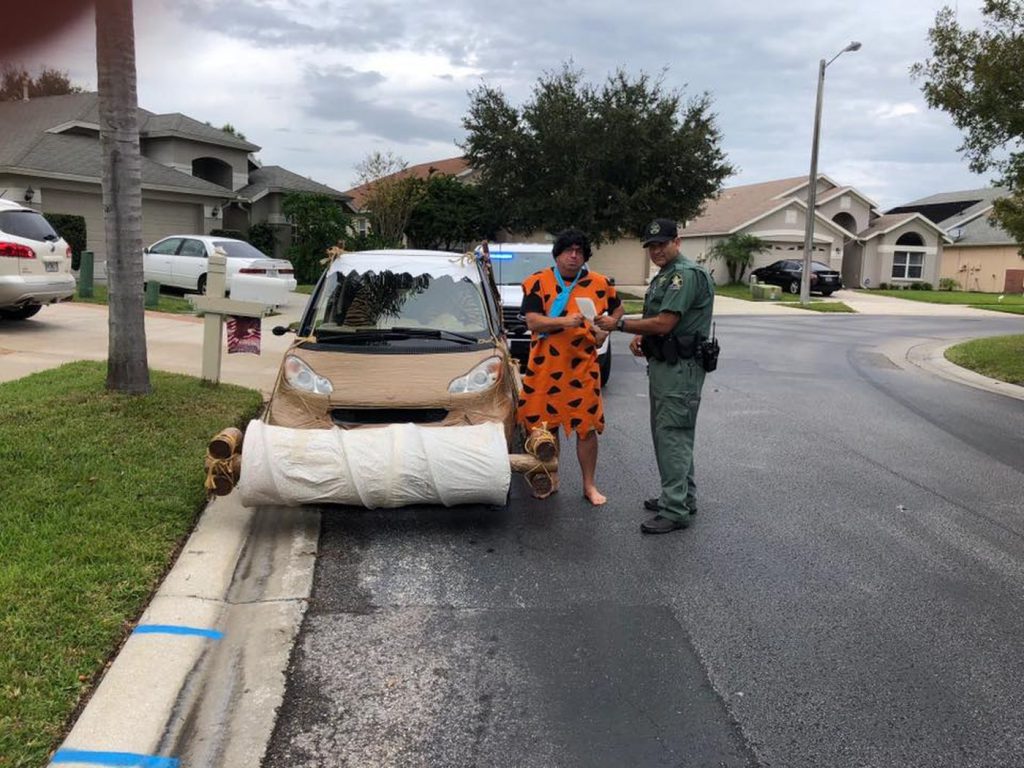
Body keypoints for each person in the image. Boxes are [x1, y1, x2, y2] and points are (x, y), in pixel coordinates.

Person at [596, 218, 715, 534]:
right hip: (667, 364)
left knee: (672, 434)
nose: (656, 250)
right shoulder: (667, 275)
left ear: (677, 241)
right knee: (673, 433)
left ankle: (675, 509)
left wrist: (620, 325)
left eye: (662, 243)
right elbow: (659, 323)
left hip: (681, 369)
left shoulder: (684, 275)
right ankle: (680, 498)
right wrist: (642, 338)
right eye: (651, 246)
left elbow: (665, 323)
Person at [517, 228, 624, 506]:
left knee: (586, 428)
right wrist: (566, 322)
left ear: (585, 256)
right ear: (558, 254)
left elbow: (617, 310)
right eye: (568, 250)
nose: (574, 256)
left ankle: (589, 485)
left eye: (579, 251)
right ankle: (551, 479)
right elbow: (532, 322)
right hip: (545, 367)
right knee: (545, 427)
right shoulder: (537, 282)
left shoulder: (600, 283)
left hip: (583, 367)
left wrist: (606, 330)